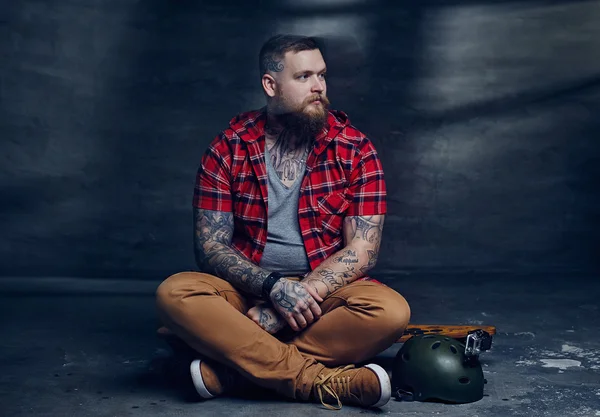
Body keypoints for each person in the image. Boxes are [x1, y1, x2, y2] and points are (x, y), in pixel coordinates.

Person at [155, 34, 411, 410]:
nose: (319, 87)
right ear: (270, 85)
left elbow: (363, 250)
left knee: (390, 312)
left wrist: (288, 303)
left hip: (321, 295)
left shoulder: (355, 149)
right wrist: (273, 289)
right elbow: (210, 248)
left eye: (322, 76)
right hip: (245, 290)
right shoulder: (229, 147)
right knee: (175, 294)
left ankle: (232, 370)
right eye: (304, 76)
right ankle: (321, 382)